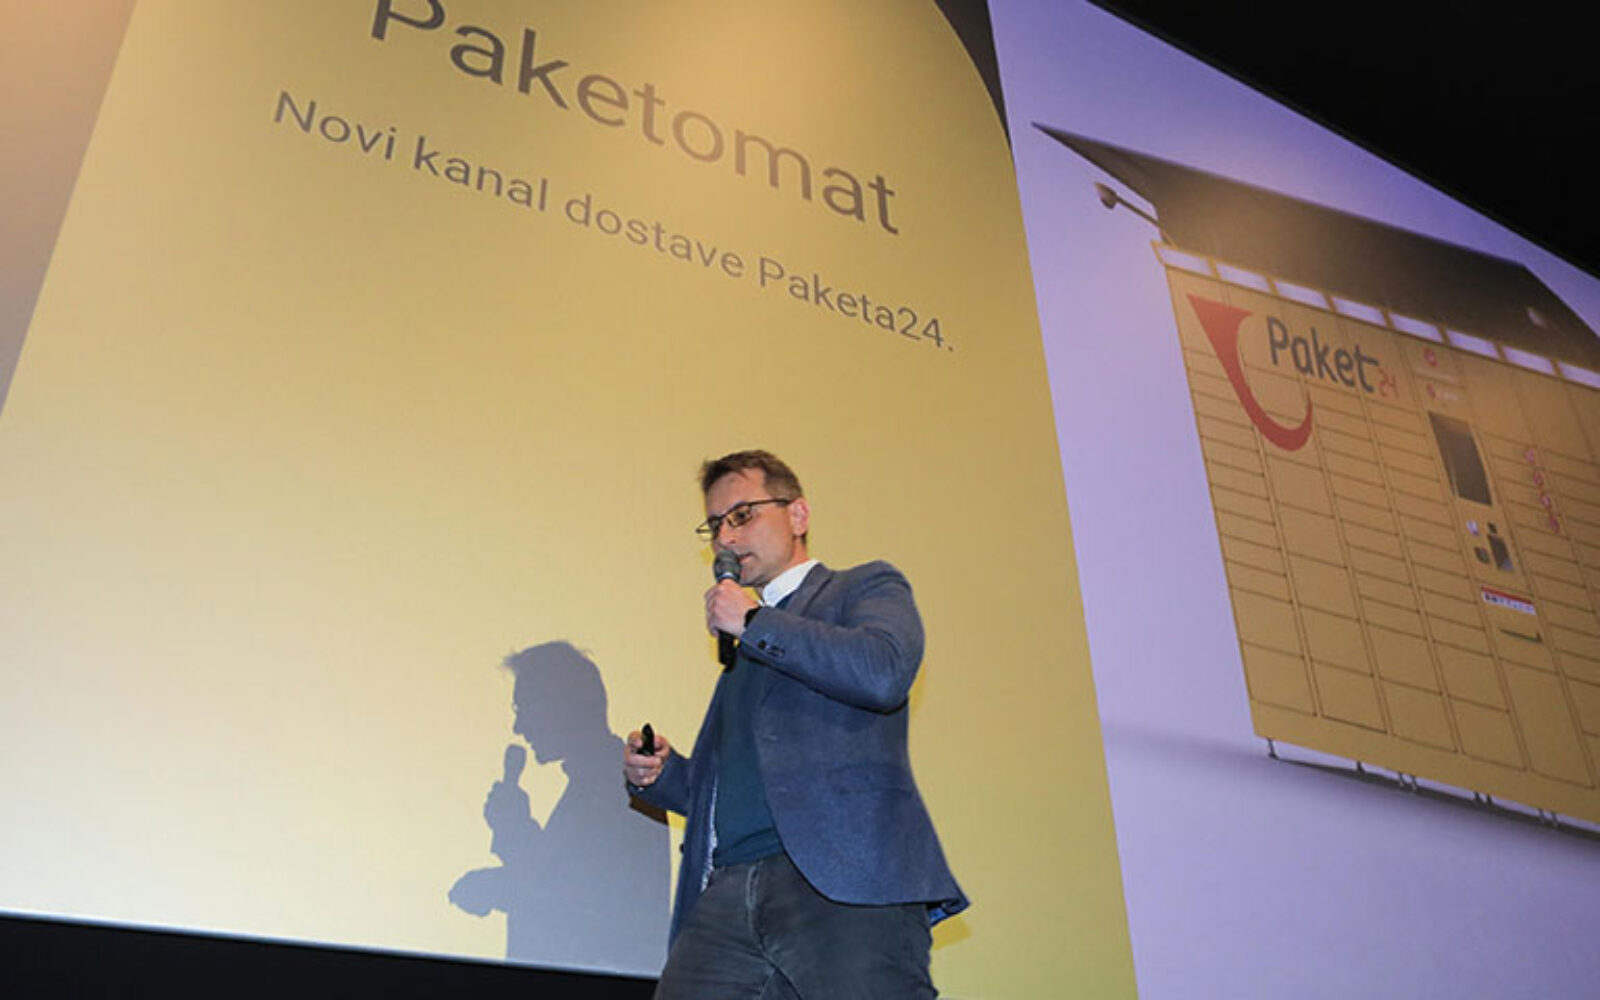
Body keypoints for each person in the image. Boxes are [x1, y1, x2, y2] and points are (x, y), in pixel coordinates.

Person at [624, 450, 966, 999]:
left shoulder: (862, 587)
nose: (726, 538)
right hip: (728, 888)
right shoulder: (746, 649)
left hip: (840, 883)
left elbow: (883, 672)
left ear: (798, 515)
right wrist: (661, 775)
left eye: (742, 515)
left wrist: (753, 621)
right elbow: (735, 785)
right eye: (715, 526)